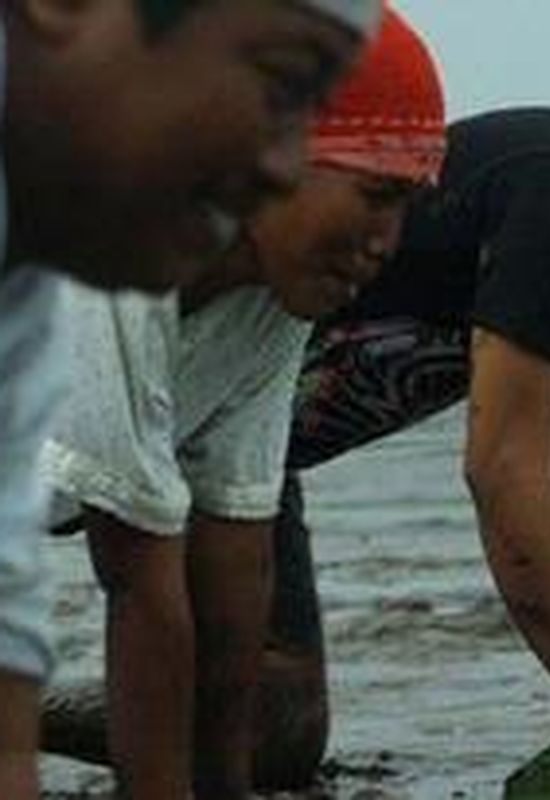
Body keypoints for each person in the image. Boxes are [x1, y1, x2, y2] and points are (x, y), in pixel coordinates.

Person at [123, 16, 550, 788]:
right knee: (237, 711)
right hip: (167, 396)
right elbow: (504, 468)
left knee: (274, 734)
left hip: (245, 455)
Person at [38, 9, 445, 798]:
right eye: (375, 195)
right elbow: (139, 581)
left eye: (409, 206)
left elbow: (234, 558)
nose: (388, 241)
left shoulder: (272, 294)